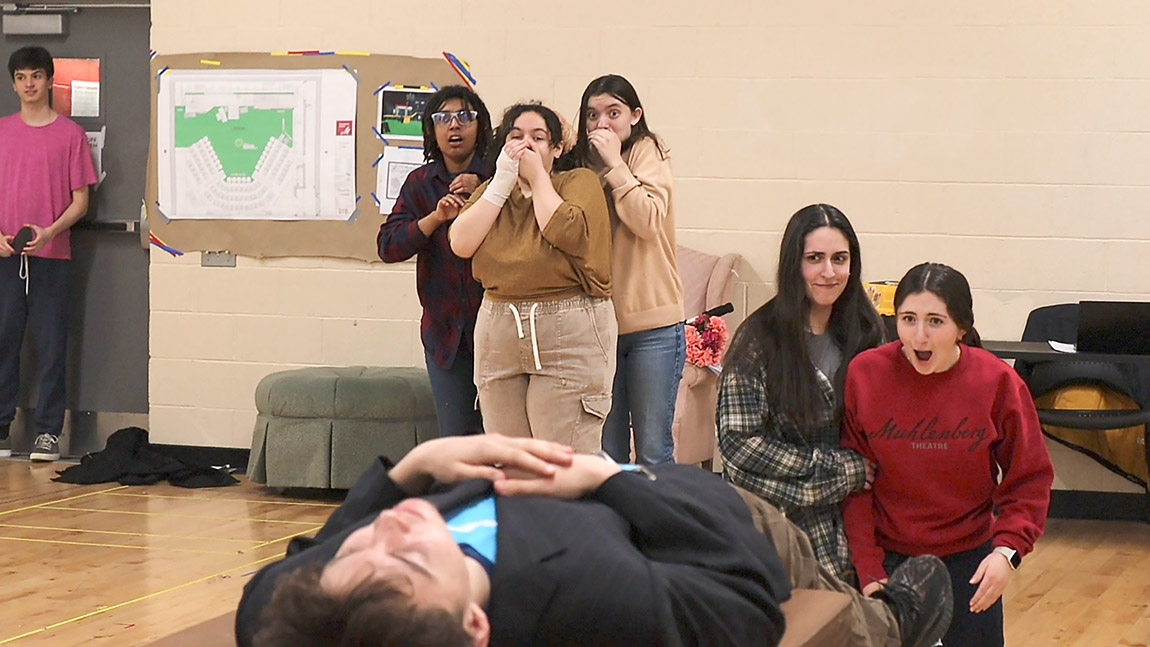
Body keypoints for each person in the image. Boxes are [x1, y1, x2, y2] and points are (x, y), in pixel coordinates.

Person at [235, 433, 954, 647]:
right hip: (706, 515)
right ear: (475, 624)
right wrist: (608, 477)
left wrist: (416, 466)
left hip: (648, 491)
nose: (384, 529)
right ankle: (891, 622)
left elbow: (272, 589)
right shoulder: (592, 598)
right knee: (809, 583)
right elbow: (749, 588)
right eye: (410, 555)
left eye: (352, 551)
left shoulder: (312, 614)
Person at [841, 262, 1055, 647]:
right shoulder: (865, 374)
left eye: (935, 321)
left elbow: (1030, 478)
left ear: (962, 328)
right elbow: (856, 482)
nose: (919, 336)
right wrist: (869, 571)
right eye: (908, 319)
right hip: (889, 563)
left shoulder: (997, 382)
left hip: (970, 564)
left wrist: (1006, 553)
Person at [717, 203, 885, 582]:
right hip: (774, 537)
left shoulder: (869, 333)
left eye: (839, 259)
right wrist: (840, 473)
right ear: (794, 264)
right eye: (815, 258)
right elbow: (739, 450)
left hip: (860, 533)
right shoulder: (758, 339)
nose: (829, 272)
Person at [449, 103, 614, 453]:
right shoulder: (494, 191)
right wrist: (503, 181)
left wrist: (538, 177)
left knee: (562, 459)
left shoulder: (578, 182)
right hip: (500, 326)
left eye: (538, 138)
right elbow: (461, 242)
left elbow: (567, 231)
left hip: (566, 327)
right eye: (516, 137)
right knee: (509, 462)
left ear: (557, 149)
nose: (526, 145)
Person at [566, 73, 685, 466]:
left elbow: (647, 219)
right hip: (598, 329)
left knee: (652, 451)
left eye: (613, 113)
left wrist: (616, 164)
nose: (602, 125)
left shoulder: (646, 152)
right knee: (606, 455)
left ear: (634, 116)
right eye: (592, 115)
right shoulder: (579, 167)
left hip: (653, 328)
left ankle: (659, 529)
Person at [0, 46, 97, 462]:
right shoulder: (2, 132)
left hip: (52, 258)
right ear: (13, 83)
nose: (29, 84)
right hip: (6, 257)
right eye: (21, 77)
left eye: (36, 76)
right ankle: (2, 428)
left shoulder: (70, 135)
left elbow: (81, 201)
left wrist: (49, 231)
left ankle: (47, 433)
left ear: (48, 79)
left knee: (52, 345)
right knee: (4, 342)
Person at [378, 85, 493, 437]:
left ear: (480, 127)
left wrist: (485, 188)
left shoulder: (498, 179)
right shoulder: (419, 183)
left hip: (498, 333)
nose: (454, 126)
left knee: (503, 439)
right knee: (456, 440)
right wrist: (433, 219)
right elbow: (388, 246)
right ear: (431, 129)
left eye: (464, 116)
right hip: (445, 336)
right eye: (443, 118)